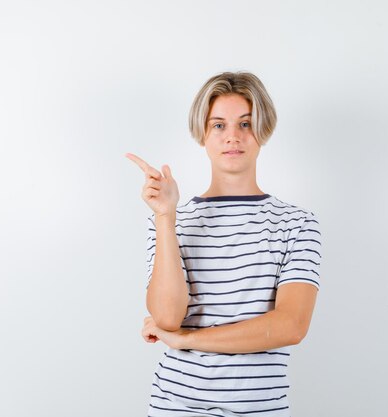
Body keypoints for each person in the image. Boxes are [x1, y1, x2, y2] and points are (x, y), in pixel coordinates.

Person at [125, 71, 322, 417]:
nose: (233, 136)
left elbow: (290, 326)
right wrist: (166, 218)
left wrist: (187, 340)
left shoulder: (297, 224)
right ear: (202, 133)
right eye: (219, 125)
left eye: (245, 124)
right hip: (175, 407)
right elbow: (168, 318)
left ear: (263, 131)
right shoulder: (173, 222)